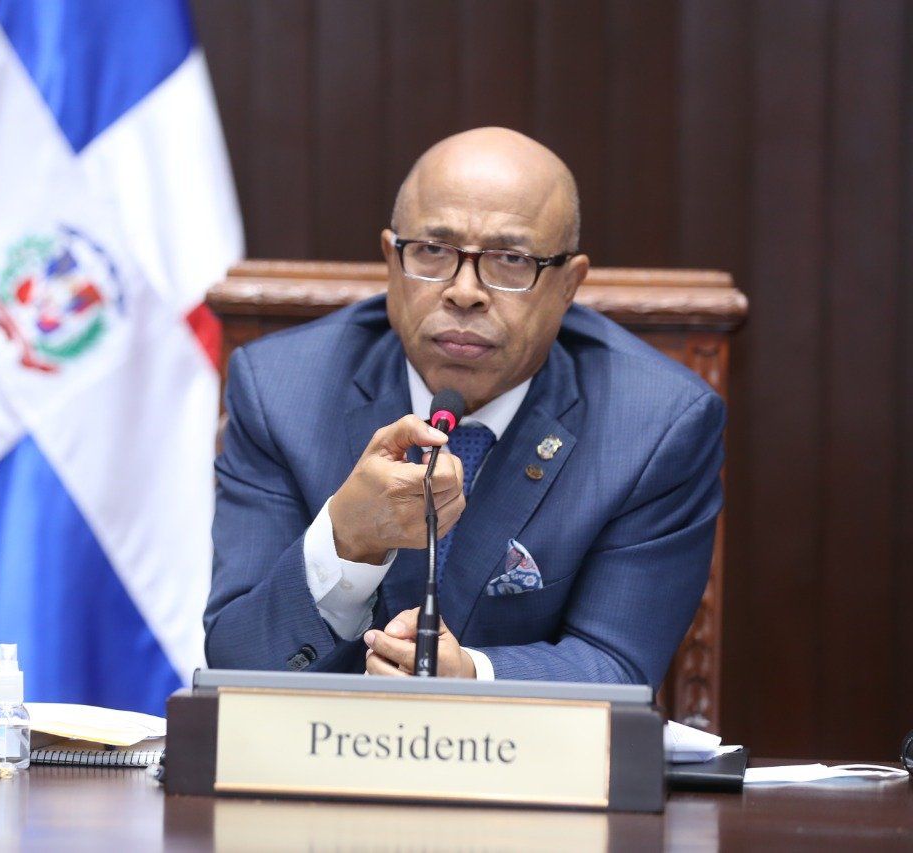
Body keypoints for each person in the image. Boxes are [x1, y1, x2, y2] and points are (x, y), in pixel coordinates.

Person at [204, 128, 724, 687]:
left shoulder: (655, 426)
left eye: (510, 259)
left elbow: (618, 666)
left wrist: (472, 679)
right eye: (432, 251)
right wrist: (347, 541)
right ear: (391, 260)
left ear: (569, 285)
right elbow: (238, 662)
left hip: (520, 747)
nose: (464, 291)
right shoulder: (282, 393)